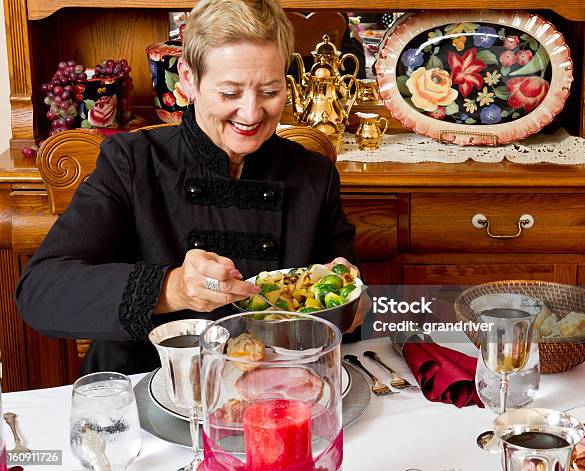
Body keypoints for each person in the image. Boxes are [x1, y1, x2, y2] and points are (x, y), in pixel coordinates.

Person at [15, 0, 357, 375]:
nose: (251, 112)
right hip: (147, 384)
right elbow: (40, 292)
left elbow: (342, 294)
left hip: (276, 388)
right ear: (188, 79)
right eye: (229, 93)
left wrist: (355, 304)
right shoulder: (133, 163)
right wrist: (171, 288)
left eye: (270, 91)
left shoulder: (313, 174)